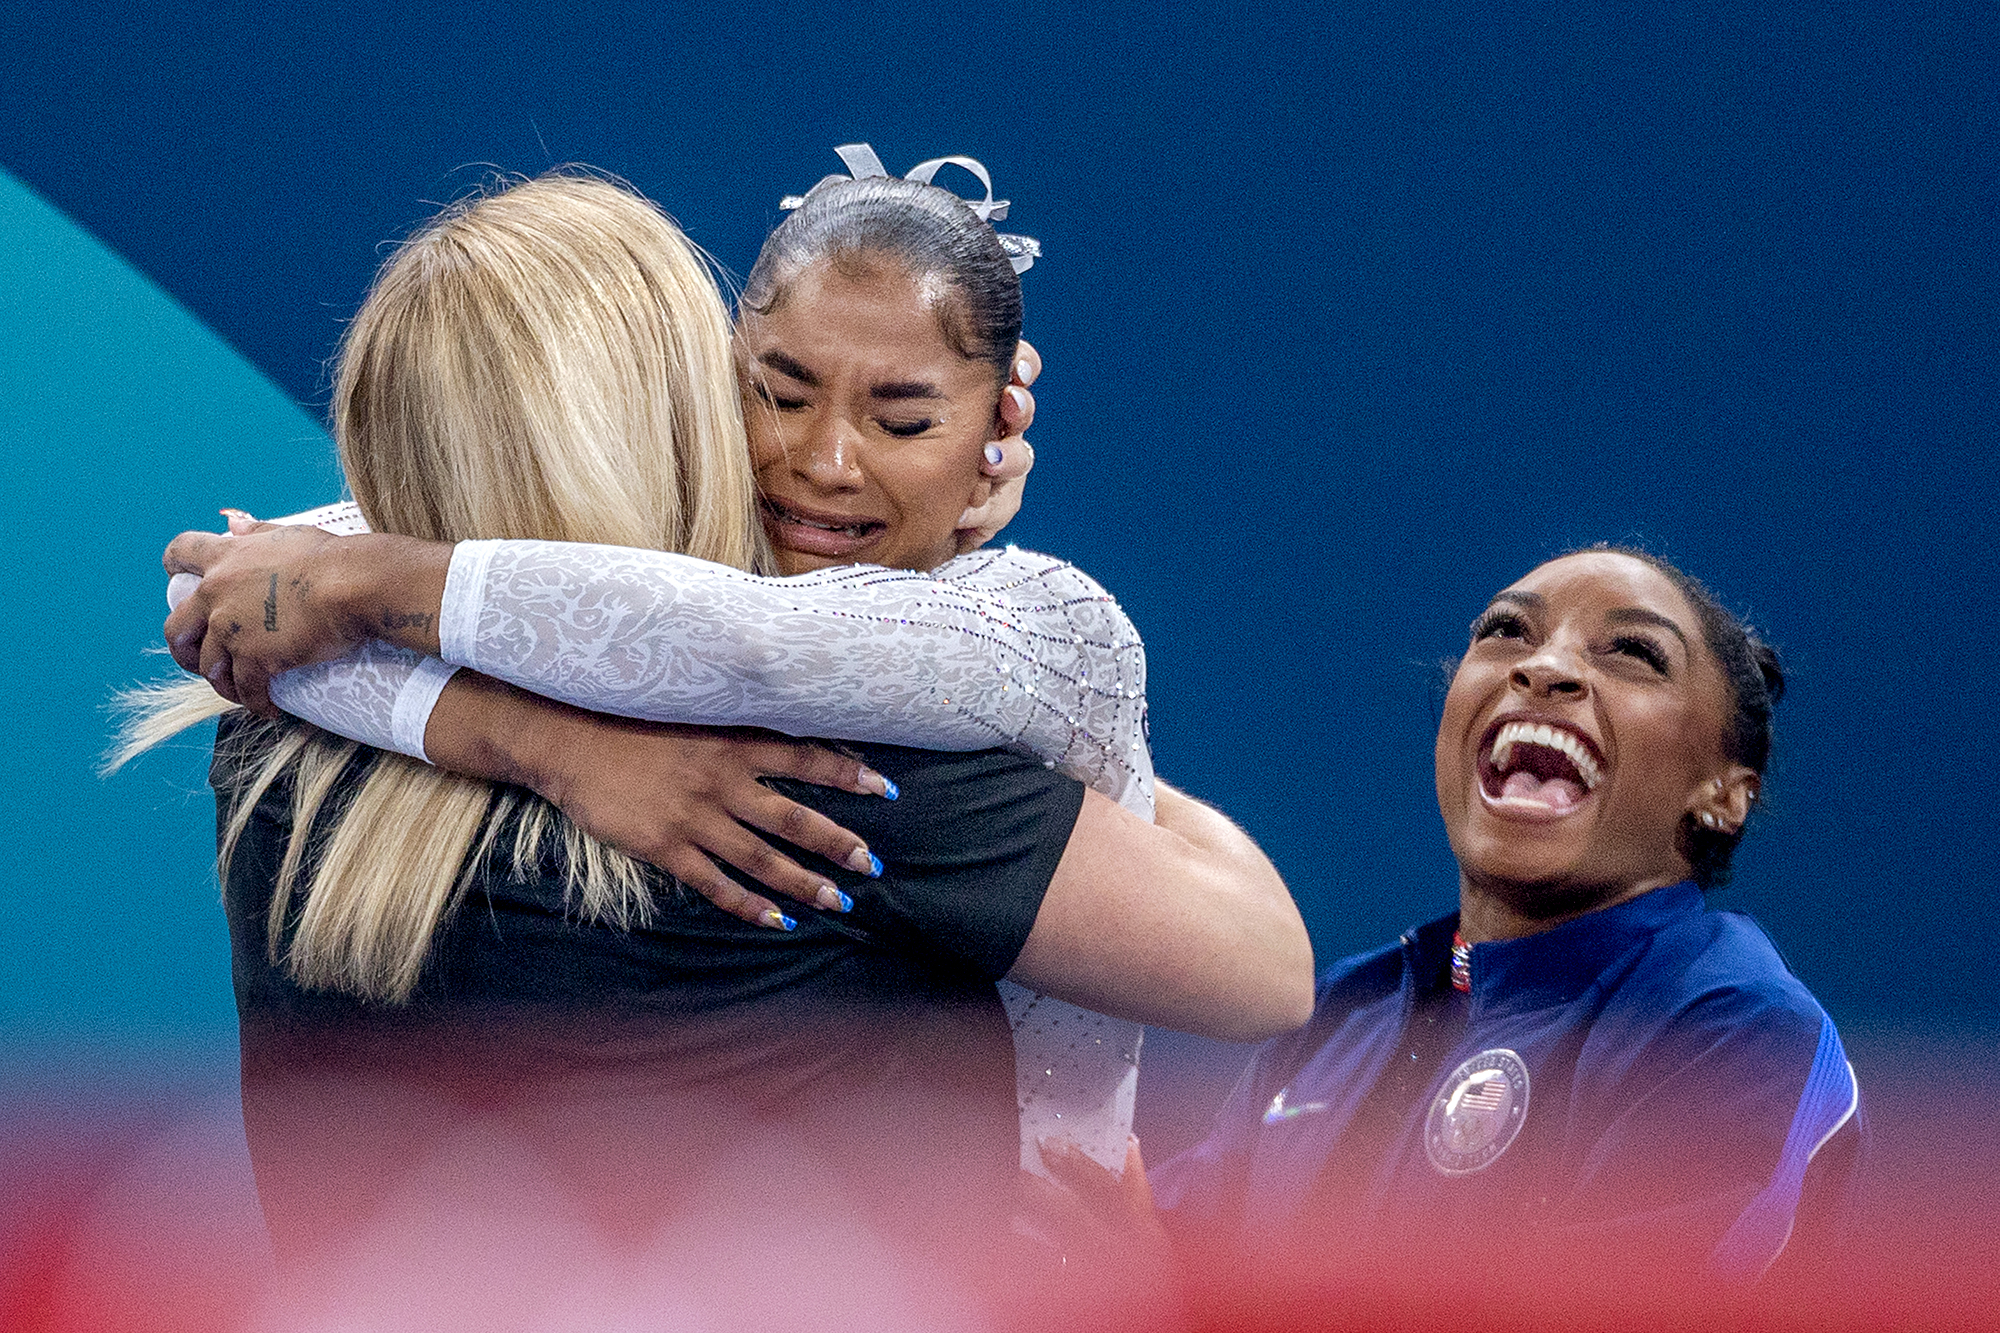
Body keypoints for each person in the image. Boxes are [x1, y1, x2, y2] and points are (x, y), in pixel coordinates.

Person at [128, 170, 1311, 1285]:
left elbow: (232, 582)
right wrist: (922, 641)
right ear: (663, 422)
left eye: (894, 419)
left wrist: (521, 723)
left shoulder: (269, 722)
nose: (812, 456)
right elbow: (1257, 965)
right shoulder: (808, 782)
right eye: (764, 390)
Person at [1133, 548, 1861, 1317]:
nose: (1545, 668)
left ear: (1723, 794)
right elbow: (1141, 1262)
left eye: (1636, 653)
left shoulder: (1735, 1032)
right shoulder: (1344, 1011)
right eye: (1508, 632)